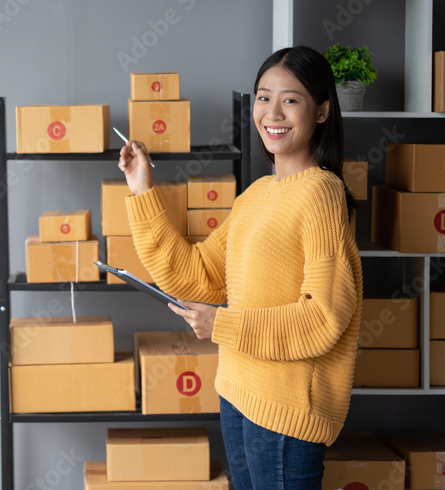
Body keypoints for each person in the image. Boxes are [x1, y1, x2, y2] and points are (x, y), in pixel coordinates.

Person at [117, 45, 363, 489]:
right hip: (237, 393)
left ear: (322, 111)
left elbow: (323, 317)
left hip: (285, 408)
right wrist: (142, 189)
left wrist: (223, 326)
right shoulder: (255, 196)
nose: (274, 112)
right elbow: (194, 276)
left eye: (291, 100)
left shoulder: (320, 194)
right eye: (264, 97)